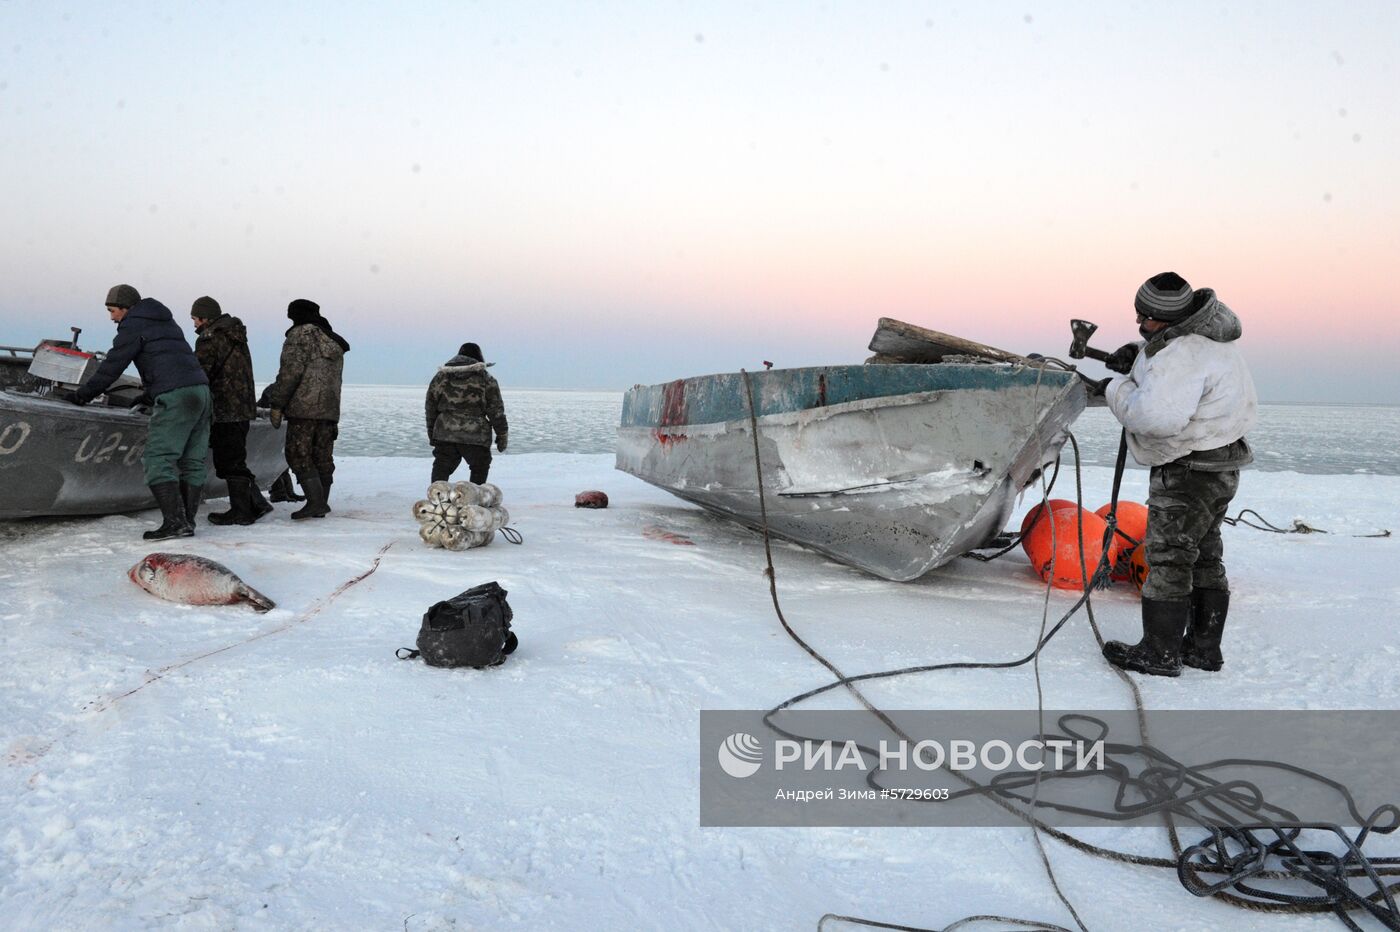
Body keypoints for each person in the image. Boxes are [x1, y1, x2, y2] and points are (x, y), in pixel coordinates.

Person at [1099, 272, 1258, 677]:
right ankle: (1204, 650)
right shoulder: (1213, 342)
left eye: (1146, 319)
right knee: (1204, 556)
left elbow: (1154, 417)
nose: (1139, 323)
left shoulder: (1183, 354)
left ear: (1168, 319)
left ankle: (1160, 652)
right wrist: (1138, 353)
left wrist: (1113, 389)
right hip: (1220, 466)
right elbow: (1174, 369)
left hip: (1188, 471)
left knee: (1169, 558)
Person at [71, 285, 212, 540]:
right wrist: (148, 395)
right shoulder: (166, 322)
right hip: (201, 391)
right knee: (192, 460)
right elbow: (170, 361)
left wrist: (82, 395)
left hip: (176, 395)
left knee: (158, 458)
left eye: (113, 311)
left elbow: (111, 367)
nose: (112, 317)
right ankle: (186, 521)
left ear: (125, 308)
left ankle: (175, 522)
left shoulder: (133, 325)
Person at [258, 299, 348, 519]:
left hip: (303, 408)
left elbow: (290, 373)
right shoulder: (332, 340)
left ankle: (315, 503)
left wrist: (277, 403)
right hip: (329, 409)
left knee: (298, 454)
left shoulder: (299, 336)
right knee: (322, 456)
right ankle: (321, 502)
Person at [190, 296, 273, 525]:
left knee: (229, 462)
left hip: (224, 408)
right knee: (235, 458)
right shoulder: (236, 337)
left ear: (205, 318)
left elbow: (200, 375)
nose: (194, 324)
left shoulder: (210, 339)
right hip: (243, 407)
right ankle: (256, 503)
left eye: (195, 319)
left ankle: (241, 512)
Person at [425, 342, 508, 484]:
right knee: (479, 466)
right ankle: (474, 496)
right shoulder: (485, 379)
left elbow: (430, 407)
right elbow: (496, 410)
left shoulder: (441, 377)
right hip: (475, 435)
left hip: (445, 432)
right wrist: (502, 435)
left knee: (442, 465)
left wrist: (432, 432)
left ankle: (437, 495)